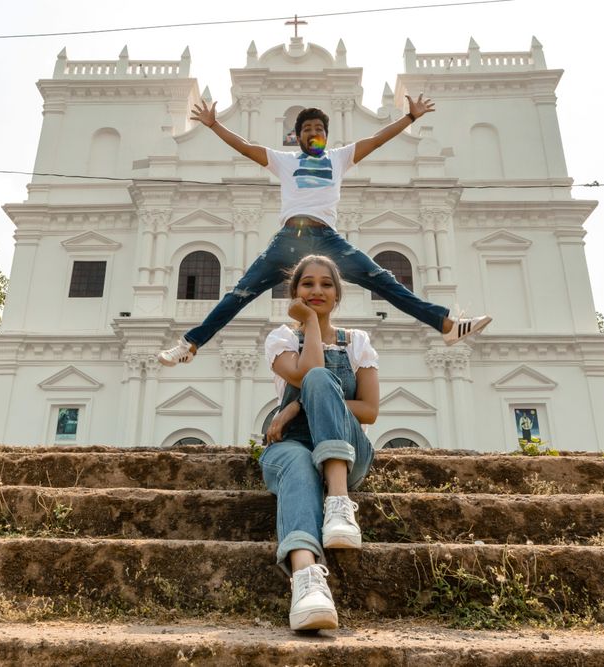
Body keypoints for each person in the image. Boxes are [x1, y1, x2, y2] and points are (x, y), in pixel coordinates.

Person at [157, 99, 491, 366]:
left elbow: (376, 140)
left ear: (326, 136)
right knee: (241, 292)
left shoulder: (339, 158)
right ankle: (190, 343)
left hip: (327, 241)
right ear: (297, 136)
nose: (313, 133)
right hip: (289, 239)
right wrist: (214, 125)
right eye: (306, 129)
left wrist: (410, 118)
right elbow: (246, 148)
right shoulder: (284, 161)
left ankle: (446, 325)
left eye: (319, 128)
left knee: (382, 279)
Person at [259, 254, 378, 631]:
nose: (317, 290)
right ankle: (308, 584)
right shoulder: (281, 338)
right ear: (294, 293)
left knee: (318, 383)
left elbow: (370, 410)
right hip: (293, 447)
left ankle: (339, 503)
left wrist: (294, 409)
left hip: (348, 448)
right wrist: (309, 322)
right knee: (297, 461)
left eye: (326, 284)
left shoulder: (357, 342)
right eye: (307, 284)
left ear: (337, 294)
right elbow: (307, 370)